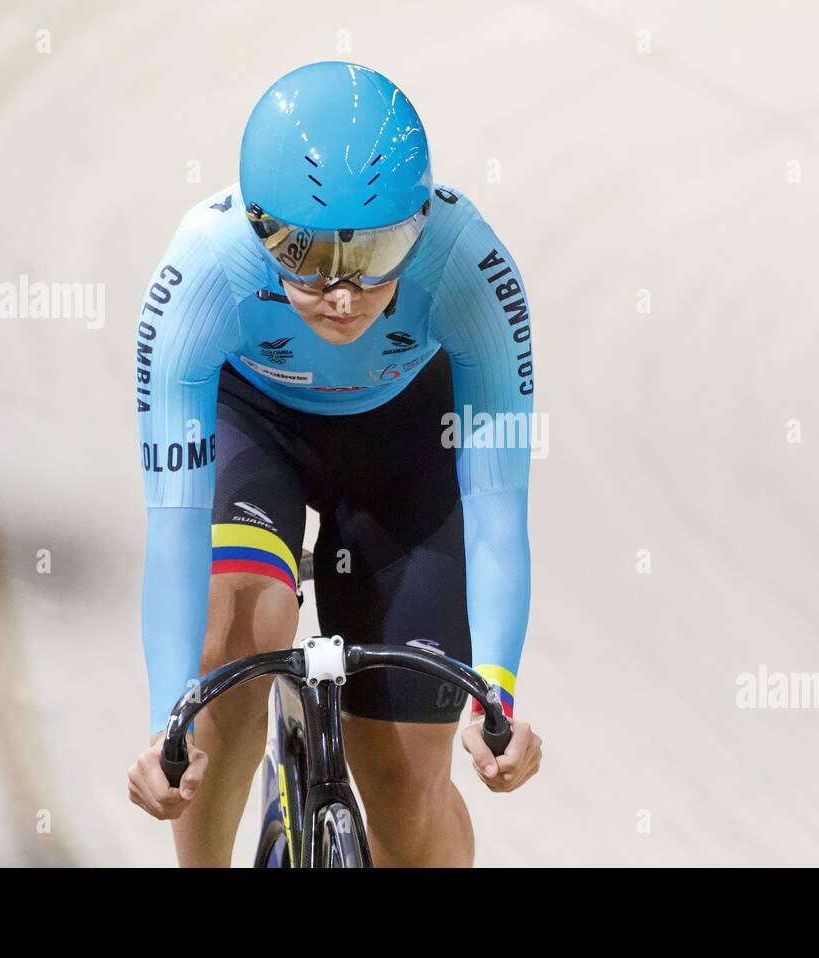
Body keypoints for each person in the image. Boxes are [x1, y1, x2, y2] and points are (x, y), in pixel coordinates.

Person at [124, 61, 541, 866]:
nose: (343, 295)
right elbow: (174, 526)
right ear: (257, 225)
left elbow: (496, 512)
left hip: (409, 449)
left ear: (419, 225)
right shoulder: (203, 271)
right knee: (238, 622)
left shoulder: (471, 265)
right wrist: (165, 728)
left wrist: (500, 697)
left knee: (403, 797)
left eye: (378, 251)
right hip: (257, 435)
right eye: (304, 253)